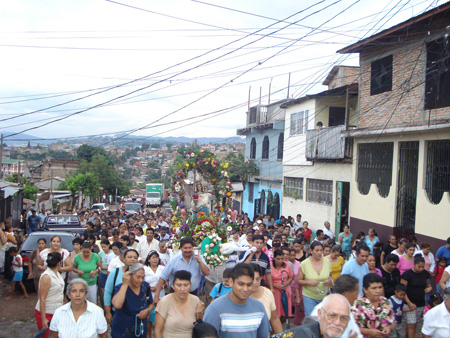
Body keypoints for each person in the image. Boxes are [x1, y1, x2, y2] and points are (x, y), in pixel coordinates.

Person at [204, 263, 269, 338]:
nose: (245, 289)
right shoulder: (215, 309)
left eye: (249, 285)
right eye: (241, 284)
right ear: (231, 282)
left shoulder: (259, 307)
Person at [154, 237, 210, 304]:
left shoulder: (198, 257)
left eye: (190, 248)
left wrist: (198, 260)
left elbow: (207, 273)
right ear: (181, 249)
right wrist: (156, 296)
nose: (188, 250)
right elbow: (163, 277)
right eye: (185, 248)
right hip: (176, 294)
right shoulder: (174, 260)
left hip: (193, 294)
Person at [273, 294, 352, 338]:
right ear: (320, 314)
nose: (337, 322)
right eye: (332, 315)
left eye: (344, 318)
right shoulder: (303, 335)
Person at [155, 270, 205, 338]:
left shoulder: (195, 300)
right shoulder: (165, 301)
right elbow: (158, 330)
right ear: (173, 285)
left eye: (186, 285)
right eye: (178, 285)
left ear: (190, 285)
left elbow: (199, 327)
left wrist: (200, 313)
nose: (182, 289)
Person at [111, 263, 154, 338]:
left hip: (140, 329)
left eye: (143, 277)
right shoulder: (121, 288)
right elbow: (117, 305)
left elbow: (151, 303)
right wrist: (125, 284)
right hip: (122, 330)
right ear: (130, 276)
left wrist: (147, 311)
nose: (141, 280)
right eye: (138, 277)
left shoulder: (145, 286)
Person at [104, 248, 139, 324]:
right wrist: (108, 312)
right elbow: (108, 292)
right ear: (123, 259)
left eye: (135, 258)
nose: (132, 259)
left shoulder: (140, 274)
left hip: (135, 313)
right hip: (118, 312)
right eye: (129, 257)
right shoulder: (115, 272)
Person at [296, 241, 332, 317]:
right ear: (311, 251)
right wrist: (309, 282)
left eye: (321, 250)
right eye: (317, 250)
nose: (319, 253)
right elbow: (298, 281)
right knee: (311, 319)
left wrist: (328, 281)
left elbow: (330, 276)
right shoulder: (304, 264)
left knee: (323, 318)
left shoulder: (327, 262)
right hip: (309, 296)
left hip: (323, 296)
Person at [401, 255, 432, 338]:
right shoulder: (407, 274)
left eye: (422, 267)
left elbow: (428, 285)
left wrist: (429, 288)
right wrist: (409, 303)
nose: (421, 269)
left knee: (414, 324)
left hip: (420, 302)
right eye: (419, 266)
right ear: (414, 264)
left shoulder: (425, 273)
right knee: (411, 324)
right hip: (409, 302)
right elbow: (403, 290)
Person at [35, 252, 64, 338]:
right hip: (46, 312)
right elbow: (42, 298)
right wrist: (43, 319)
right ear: (59, 263)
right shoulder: (47, 276)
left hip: (56, 311)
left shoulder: (57, 274)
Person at [249, 263, 283, 334]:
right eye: (252, 279)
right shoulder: (239, 296)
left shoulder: (267, 293)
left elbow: (274, 318)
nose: (254, 282)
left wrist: (281, 335)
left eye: (257, 279)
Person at [144, 250, 165, 338]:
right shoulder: (145, 269)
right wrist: (149, 288)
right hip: (148, 295)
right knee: (149, 317)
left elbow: (166, 280)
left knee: (160, 316)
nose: (155, 260)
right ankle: (149, 335)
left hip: (161, 294)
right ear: (149, 260)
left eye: (156, 258)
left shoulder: (162, 268)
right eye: (153, 258)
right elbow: (141, 282)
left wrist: (161, 286)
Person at [271, 249, 294, 323]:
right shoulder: (270, 265)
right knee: (275, 313)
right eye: (278, 259)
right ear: (274, 258)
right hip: (275, 291)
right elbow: (265, 280)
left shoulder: (286, 264)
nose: (280, 261)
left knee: (285, 312)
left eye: (282, 259)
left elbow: (291, 276)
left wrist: (287, 283)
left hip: (285, 290)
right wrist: (275, 285)